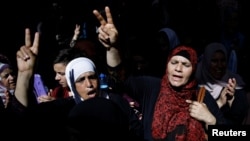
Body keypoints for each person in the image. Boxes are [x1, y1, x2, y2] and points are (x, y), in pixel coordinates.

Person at [13, 6, 139, 141]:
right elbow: (23, 117)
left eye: (92, 77)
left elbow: (136, 132)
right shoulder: (63, 109)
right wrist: (24, 75)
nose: (89, 84)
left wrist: (112, 48)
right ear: (72, 84)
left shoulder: (116, 102)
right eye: (80, 80)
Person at [151, 45, 227, 141]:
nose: (178, 68)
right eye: (174, 63)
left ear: (193, 69)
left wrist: (210, 120)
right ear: (167, 64)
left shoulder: (201, 95)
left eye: (186, 65)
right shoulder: (153, 90)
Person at [195, 42, 248, 125]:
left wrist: (231, 101)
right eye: (214, 61)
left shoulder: (234, 84)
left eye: (223, 60)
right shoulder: (196, 85)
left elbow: (239, 119)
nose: (219, 65)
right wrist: (219, 103)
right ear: (206, 62)